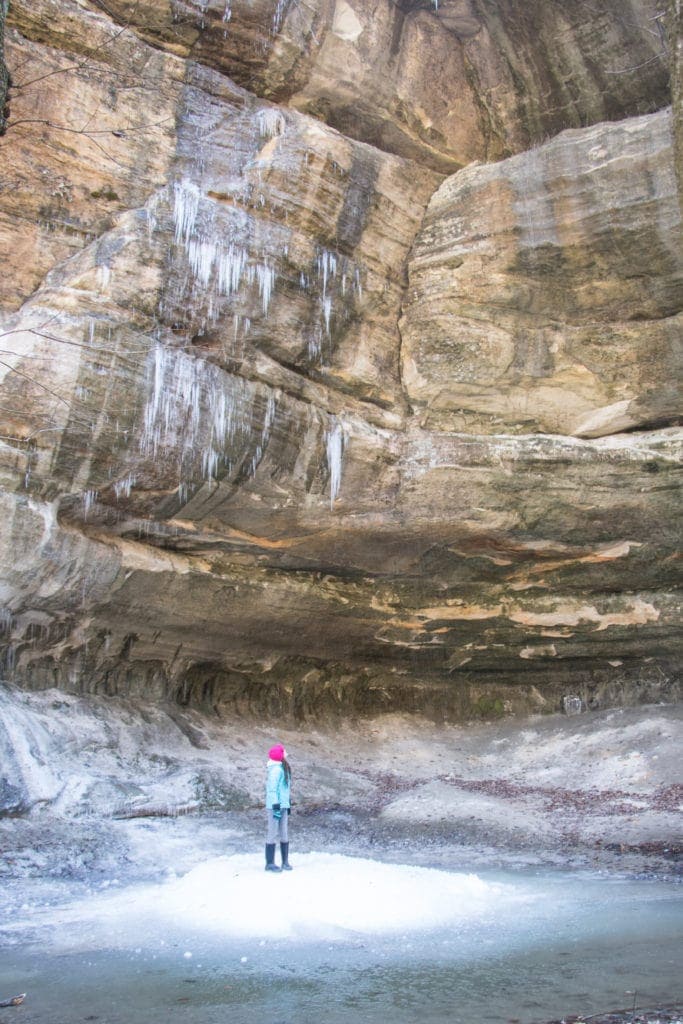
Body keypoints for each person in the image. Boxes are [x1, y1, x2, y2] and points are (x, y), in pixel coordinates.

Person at [264, 743, 292, 872]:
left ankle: (285, 861)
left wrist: (287, 804)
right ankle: (269, 863)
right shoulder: (276, 770)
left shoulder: (282, 768)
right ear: (280, 756)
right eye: (283, 751)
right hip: (276, 806)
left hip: (283, 806)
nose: (286, 753)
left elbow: (285, 790)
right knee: (273, 832)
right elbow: (272, 790)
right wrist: (276, 805)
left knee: (284, 832)